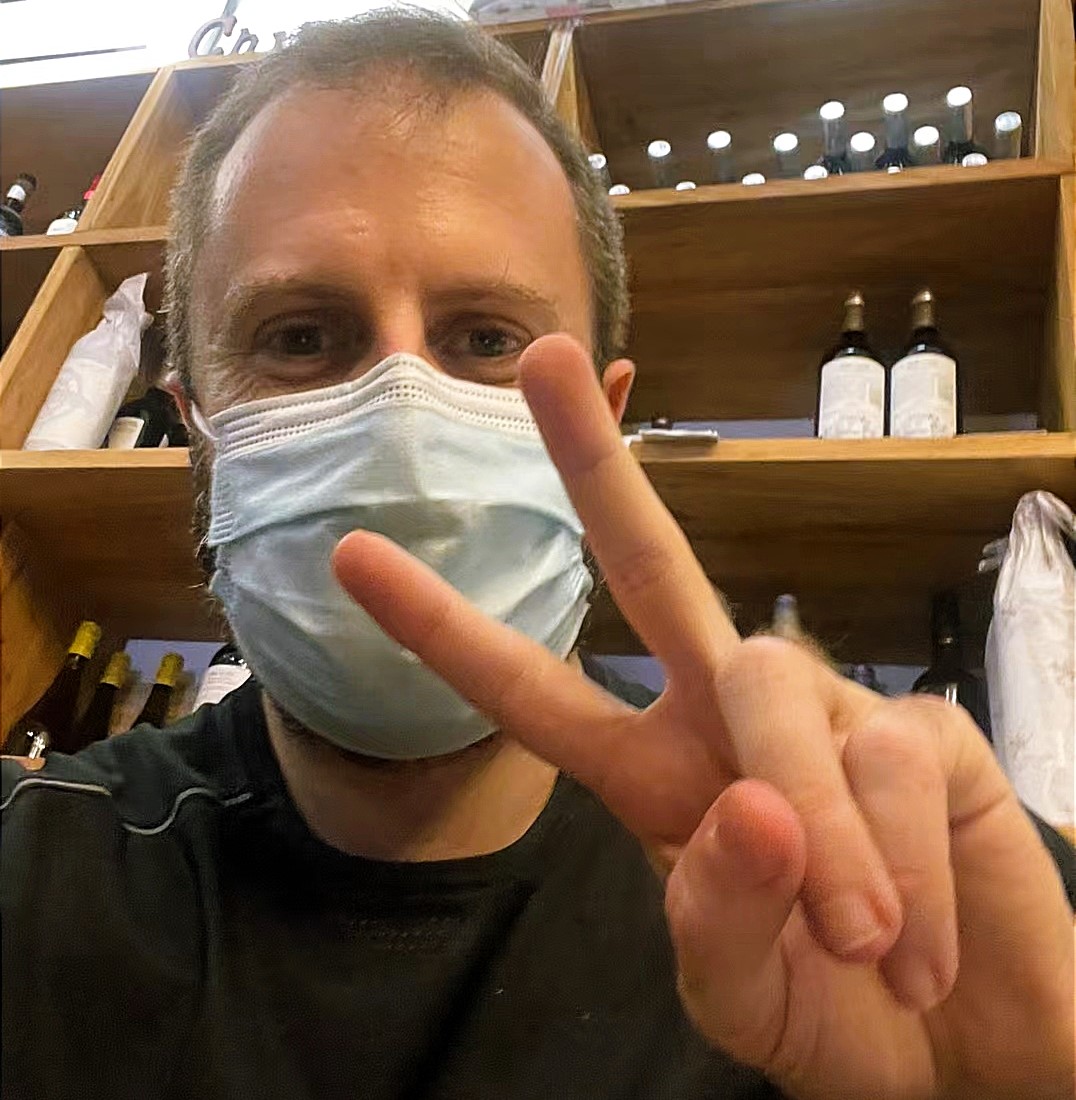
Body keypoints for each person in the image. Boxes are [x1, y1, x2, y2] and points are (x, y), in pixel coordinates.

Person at [2, 11, 1073, 1100]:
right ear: (195, 425)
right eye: (300, 337)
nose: (403, 421)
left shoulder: (879, 903)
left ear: (601, 420)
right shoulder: (31, 867)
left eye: (485, 339)